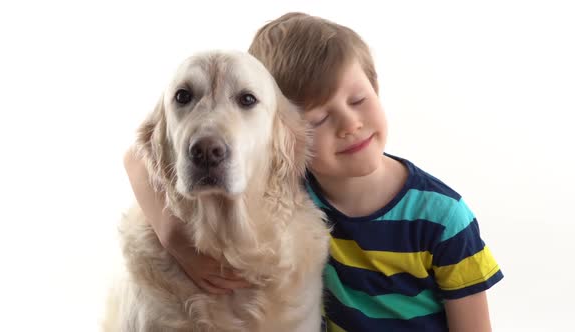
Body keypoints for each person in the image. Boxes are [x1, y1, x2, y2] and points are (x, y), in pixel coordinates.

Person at [123, 12, 503, 332]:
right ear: (284, 140)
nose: (350, 124)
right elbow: (137, 156)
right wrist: (173, 235)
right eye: (319, 119)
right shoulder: (300, 191)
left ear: (377, 88)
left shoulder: (442, 218)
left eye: (358, 100)